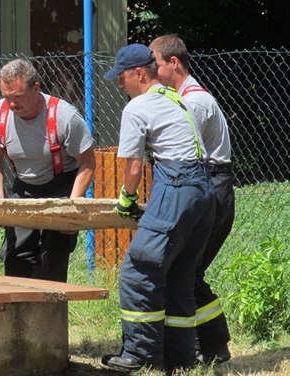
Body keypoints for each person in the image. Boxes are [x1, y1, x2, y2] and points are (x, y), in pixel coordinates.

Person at [100, 44, 216, 373]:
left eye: (121, 78)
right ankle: (180, 360)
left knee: (138, 270)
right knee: (179, 276)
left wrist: (126, 199)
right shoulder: (176, 97)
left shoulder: (137, 107)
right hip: (204, 191)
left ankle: (140, 354)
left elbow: (134, 169)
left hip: (177, 185)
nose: (120, 85)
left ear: (139, 74)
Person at [150, 34, 235, 365]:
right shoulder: (184, 98)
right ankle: (211, 346)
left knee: (186, 271)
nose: (150, 70)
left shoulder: (194, 103)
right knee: (187, 271)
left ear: (174, 63)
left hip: (210, 188)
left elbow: (183, 155)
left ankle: (205, 347)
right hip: (206, 186)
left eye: (155, 63)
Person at [0, 58, 95, 283]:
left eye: (18, 97)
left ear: (36, 88)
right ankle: (18, 314)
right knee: (16, 260)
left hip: (61, 187)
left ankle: (49, 315)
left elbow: (88, 162)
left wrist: (71, 207)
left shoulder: (64, 117)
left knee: (52, 262)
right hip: (24, 188)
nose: (12, 105)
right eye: (6, 97)